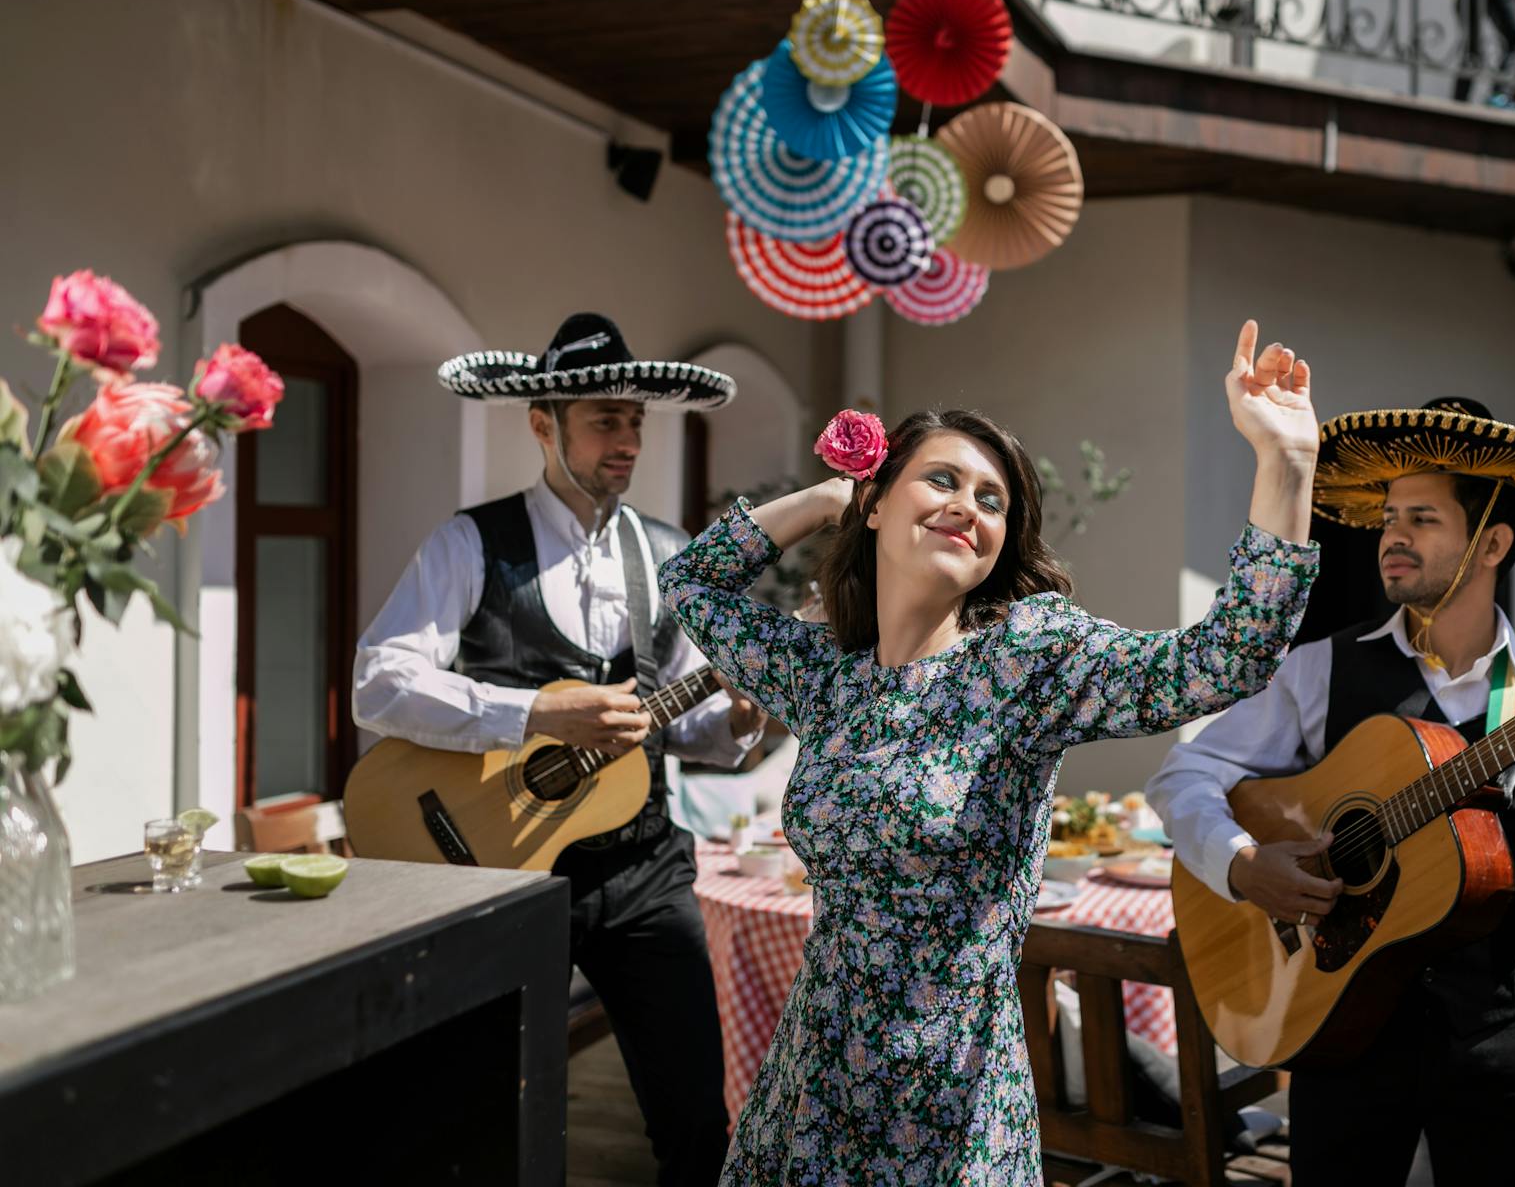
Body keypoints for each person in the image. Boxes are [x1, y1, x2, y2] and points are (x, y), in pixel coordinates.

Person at [658, 322, 1323, 1184]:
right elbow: (690, 584)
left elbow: (1224, 659)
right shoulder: (828, 674)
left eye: (992, 499)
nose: (967, 505)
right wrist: (830, 497)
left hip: (954, 1101)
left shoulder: (1027, 658)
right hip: (811, 1086)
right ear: (879, 502)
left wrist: (1287, 463)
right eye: (941, 479)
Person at [1147, 397, 1515, 1186]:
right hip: (1344, 1030)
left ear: (1493, 540)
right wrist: (1240, 864)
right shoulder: (1319, 669)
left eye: (1424, 519)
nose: (1393, 536)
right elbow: (1183, 774)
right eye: (1389, 517)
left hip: (1508, 1040)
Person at [351, 314, 766, 1186]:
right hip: (499, 869)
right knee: (490, 1111)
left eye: (636, 422)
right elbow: (379, 683)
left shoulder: (669, 555)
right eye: (605, 420)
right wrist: (534, 718)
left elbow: (687, 730)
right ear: (544, 422)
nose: (628, 440)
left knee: (696, 1115)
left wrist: (745, 714)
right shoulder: (469, 542)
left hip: (646, 870)